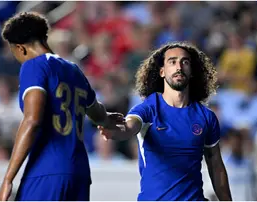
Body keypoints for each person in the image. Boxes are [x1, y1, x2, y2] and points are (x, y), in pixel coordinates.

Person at [0, 12, 124, 201]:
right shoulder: (75, 70)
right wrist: (107, 119)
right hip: (79, 173)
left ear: (20, 48)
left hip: (47, 170)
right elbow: (97, 114)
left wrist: (8, 178)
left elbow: (32, 121)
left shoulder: (33, 66)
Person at [98, 42, 232, 201]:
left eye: (185, 62)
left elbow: (216, 165)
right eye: (172, 62)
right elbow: (128, 127)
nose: (179, 67)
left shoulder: (206, 117)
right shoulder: (148, 109)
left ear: (192, 72)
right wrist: (114, 129)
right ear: (162, 71)